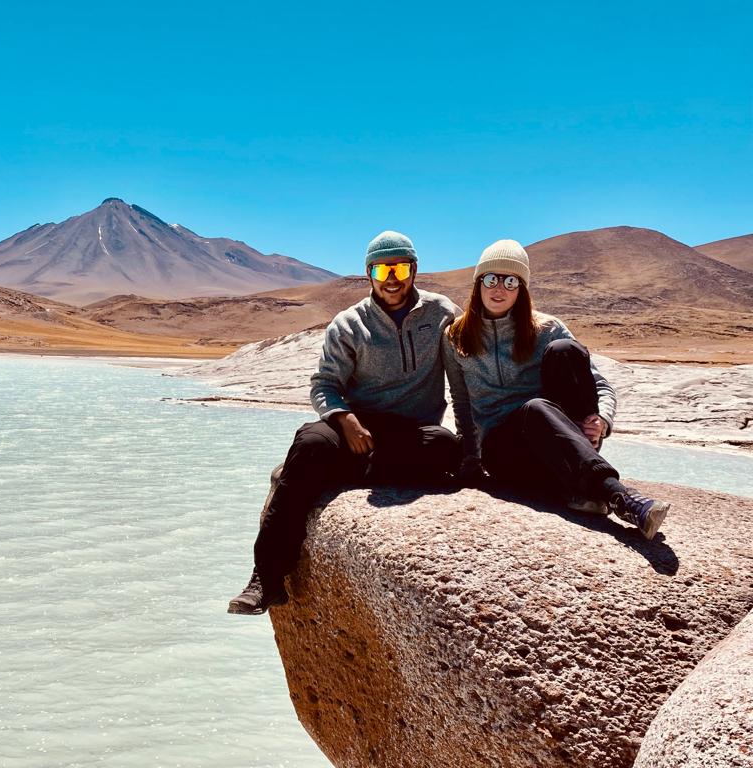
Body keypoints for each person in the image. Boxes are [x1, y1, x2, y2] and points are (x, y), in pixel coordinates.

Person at [228, 231, 462, 615]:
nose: (391, 277)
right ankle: (265, 580)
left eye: (400, 267)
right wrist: (344, 418)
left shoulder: (441, 314)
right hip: (356, 425)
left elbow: (462, 377)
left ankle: (345, 471)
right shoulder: (349, 324)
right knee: (309, 443)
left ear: (414, 270)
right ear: (368, 273)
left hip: (409, 431)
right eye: (382, 268)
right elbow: (324, 385)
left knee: (446, 447)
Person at [442, 238, 670, 539]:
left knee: (565, 350)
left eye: (511, 281)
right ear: (478, 283)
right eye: (491, 278)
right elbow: (460, 402)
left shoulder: (547, 328)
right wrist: (471, 460)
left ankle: (586, 486)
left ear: (521, 289)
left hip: (555, 436)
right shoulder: (456, 336)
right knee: (534, 408)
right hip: (503, 450)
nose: (499, 288)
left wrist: (602, 420)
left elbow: (598, 382)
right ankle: (620, 497)